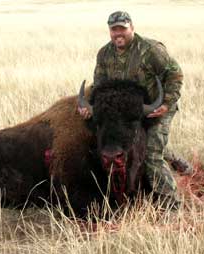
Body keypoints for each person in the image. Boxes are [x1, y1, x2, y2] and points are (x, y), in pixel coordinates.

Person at [79, 11, 186, 209]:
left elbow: (175, 75)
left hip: (153, 108)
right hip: (123, 113)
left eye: (123, 28)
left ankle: (171, 202)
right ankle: (171, 156)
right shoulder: (104, 53)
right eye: (114, 29)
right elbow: (100, 87)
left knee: (152, 153)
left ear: (132, 28)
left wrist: (166, 103)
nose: (118, 33)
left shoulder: (151, 50)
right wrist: (90, 108)